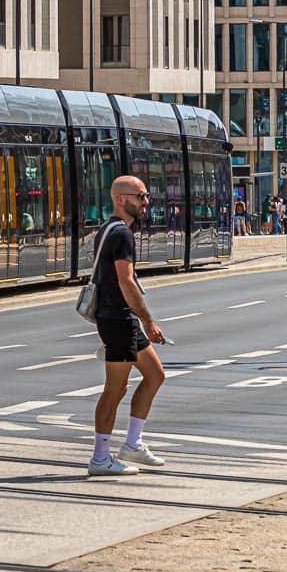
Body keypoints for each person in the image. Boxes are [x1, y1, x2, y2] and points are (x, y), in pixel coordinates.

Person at [87, 175, 170, 477]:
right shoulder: (121, 234)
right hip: (118, 319)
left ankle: (133, 443)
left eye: (146, 196)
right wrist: (148, 320)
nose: (146, 202)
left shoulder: (109, 229)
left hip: (123, 319)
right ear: (121, 199)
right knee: (115, 389)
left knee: (155, 375)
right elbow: (125, 280)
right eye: (140, 196)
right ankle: (100, 458)